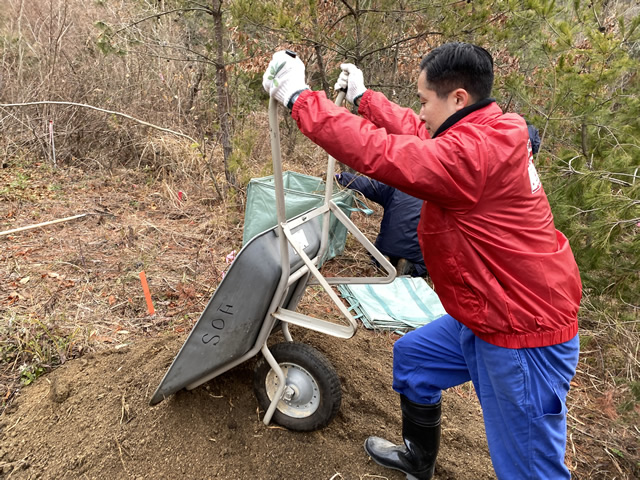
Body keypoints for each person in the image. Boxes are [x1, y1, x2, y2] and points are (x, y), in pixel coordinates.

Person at [262, 43, 581, 480]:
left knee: (530, 470)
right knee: (414, 361)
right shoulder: (487, 129)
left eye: (426, 99)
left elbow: (385, 154)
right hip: (487, 308)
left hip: (521, 330)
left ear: (458, 99)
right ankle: (417, 459)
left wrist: (301, 99)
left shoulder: (474, 156)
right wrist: (364, 99)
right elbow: (417, 130)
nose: (421, 109)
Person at [335, 171, 427, 277]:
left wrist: (342, 177)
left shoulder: (396, 185)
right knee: (426, 262)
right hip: (415, 250)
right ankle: (411, 266)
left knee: (380, 250)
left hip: (386, 245)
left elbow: (368, 185)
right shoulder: (438, 193)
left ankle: (381, 260)